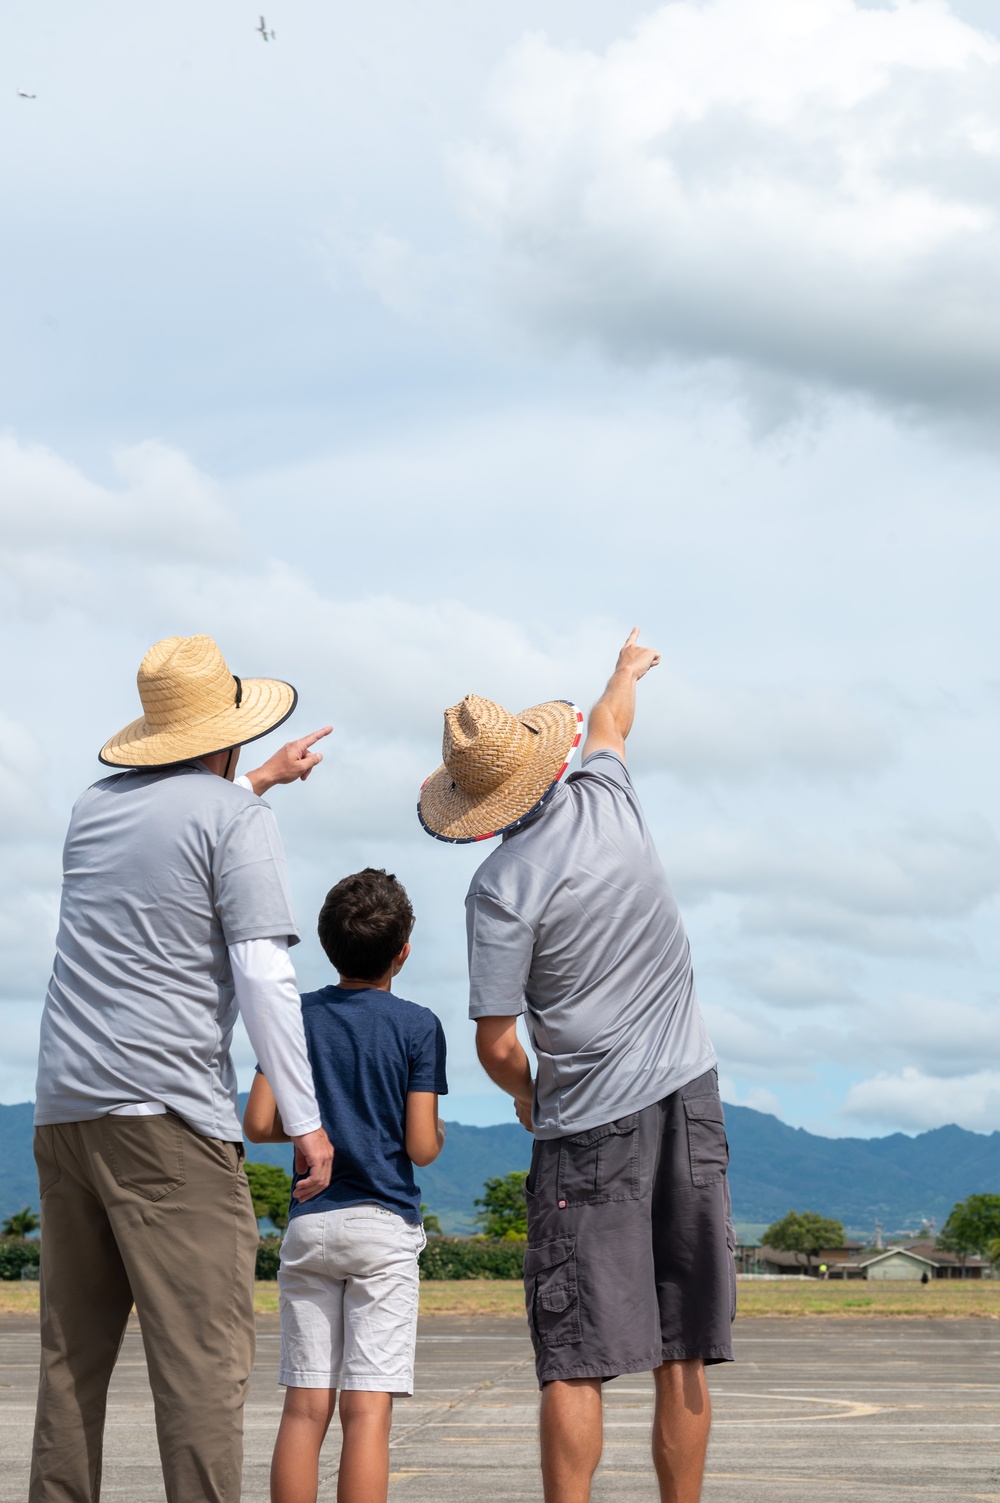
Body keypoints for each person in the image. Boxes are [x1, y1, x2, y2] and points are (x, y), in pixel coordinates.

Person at [418, 629, 734, 1503]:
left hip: (589, 1126)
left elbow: (495, 1040)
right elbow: (611, 720)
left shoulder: (499, 887)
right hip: (690, 1097)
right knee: (686, 1342)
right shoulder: (608, 792)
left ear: (475, 807)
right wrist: (627, 669)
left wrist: (528, 1094)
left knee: (574, 1352)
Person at [31, 634, 335, 1503]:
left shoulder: (93, 807)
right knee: (203, 1368)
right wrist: (307, 1121)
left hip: (65, 1112)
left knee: (70, 1364)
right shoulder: (236, 819)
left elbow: (174, 830)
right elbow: (264, 972)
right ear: (226, 734)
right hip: (167, 1121)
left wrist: (260, 779)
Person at [243, 867, 448, 1503]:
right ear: (403, 951)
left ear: (328, 945)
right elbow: (420, 1145)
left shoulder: (295, 1016)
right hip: (382, 1227)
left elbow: (257, 1123)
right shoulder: (417, 1026)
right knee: (367, 1413)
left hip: (310, 1224)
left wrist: (316, 1128)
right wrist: (435, 1139)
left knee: (305, 1409)